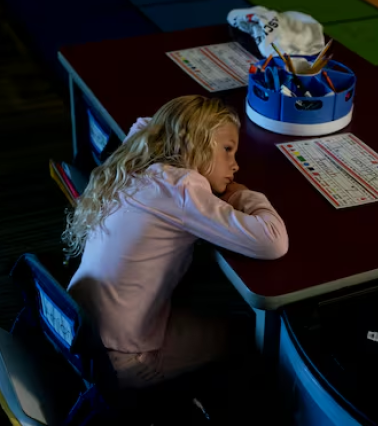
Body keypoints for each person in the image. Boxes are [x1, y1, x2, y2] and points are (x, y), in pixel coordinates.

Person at [64, 95, 288, 389]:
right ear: (194, 143)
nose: (235, 166)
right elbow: (273, 242)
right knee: (244, 332)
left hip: (81, 329)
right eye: (228, 150)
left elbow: (146, 124)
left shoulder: (135, 157)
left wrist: (191, 123)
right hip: (125, 358)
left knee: (206, 303)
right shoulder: (181, 188)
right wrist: (240, 195)